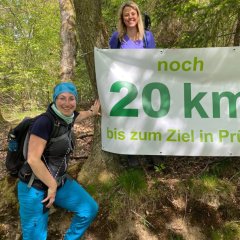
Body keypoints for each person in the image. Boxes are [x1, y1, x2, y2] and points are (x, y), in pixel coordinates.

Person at [17, 82, 100, 240]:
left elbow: (78, 116)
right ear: (55, 99)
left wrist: (91, 112)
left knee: (89, 209)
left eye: (71, 98)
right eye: (62, 98)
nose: (67, 103)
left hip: (58, 181)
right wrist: (52, 186)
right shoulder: (44, 122)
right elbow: (33, 159)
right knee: (36, 237)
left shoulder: (68, 117)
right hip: (33, 187)